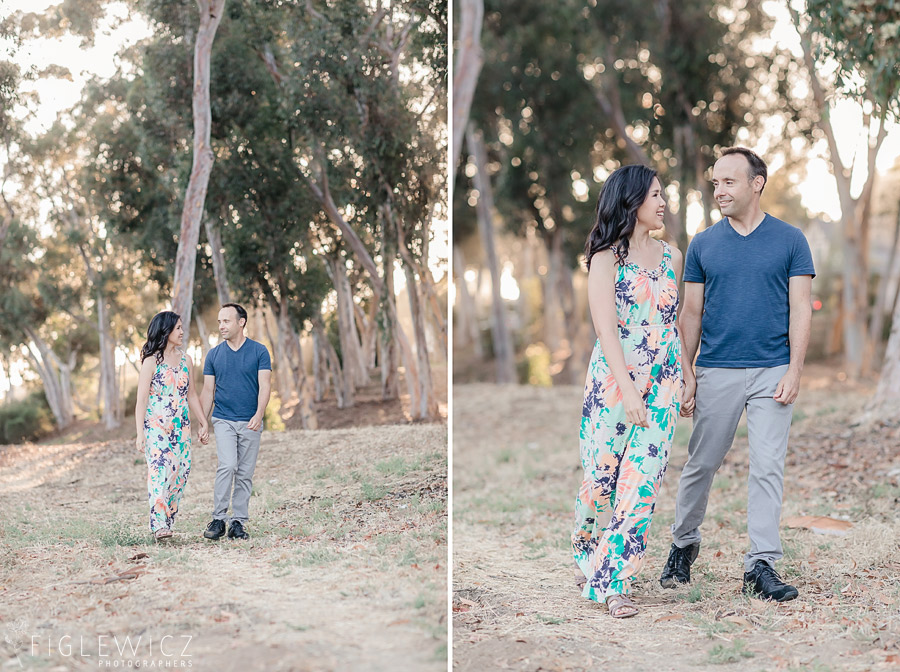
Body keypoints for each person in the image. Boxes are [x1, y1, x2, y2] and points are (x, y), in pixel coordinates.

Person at [659, 147, 814, 602]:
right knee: (701, 464)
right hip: (716, 370)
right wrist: (686, 372)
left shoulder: (790, 240)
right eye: (715, 183)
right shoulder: (705, 244)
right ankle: (683, 545)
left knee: (768, 468)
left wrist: (795, 370)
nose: (719, 190)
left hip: (773, 371)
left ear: (756, 183)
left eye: (728, 181)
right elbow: (690, 313)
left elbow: (801, 308)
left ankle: (760, 565)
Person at [572, 164, 689, 618]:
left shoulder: (672, 256)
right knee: (601, 480)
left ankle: (614, 580)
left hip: (663, 380)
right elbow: (606, 330)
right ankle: (585, 547)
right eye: (655, 195)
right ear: (633, 200)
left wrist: (687, 377)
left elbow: (672, 323)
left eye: (663, 194)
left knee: (641, 485)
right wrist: (628, 391)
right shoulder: (605, 259)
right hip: (612, 384)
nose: (662, 203)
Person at [200, 303, 272, 541]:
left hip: (251, 420)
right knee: (228, 465)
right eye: (219, 321)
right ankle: (218, 519)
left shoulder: (259, 352)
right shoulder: (214, 355)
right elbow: (208, 391)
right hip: (224, 419)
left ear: (241, 322)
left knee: (244, 473)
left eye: (226, 321)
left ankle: (238, 522)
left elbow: (265, 386)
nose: (221, 326)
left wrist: (259, 413)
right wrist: (203, 422)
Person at [135, 311, 208, 542]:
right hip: (156, 428)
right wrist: (140, 433)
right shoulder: (151, 361)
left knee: (181, 471)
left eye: (181, 327)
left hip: (181, 427)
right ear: (165, 331)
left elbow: (192, 395)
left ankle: (168, 519)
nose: (181, 331)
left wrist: (203, 421)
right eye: (177, 328)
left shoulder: (186, 360)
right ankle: (158, 524)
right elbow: (141, 400)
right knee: (160, 471)